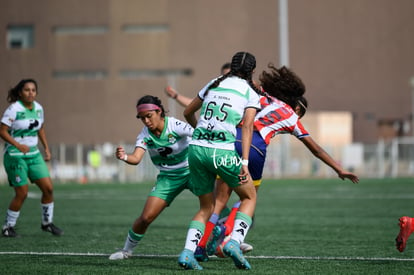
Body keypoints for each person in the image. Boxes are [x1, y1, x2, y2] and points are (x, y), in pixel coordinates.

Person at [194, 65, 360, 261]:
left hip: (231, 140)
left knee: (219, 200)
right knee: (249, 197)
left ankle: (200, 247)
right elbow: (316, 149)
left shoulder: (263, 95)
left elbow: (250, 85)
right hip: (254, 147)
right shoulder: (291, 116)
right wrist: (339, 169)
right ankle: (231, 238)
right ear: (297, 108)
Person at [177, 51, 261, 270]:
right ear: (252, 71)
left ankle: (187, 253)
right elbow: (249, 126)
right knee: (249, 196)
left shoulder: (214, 82)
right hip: (222, 152)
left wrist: (200, 132)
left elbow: (187, 112)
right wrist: (244, 162)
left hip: (196, 151)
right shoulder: (250, 91)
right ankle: (234, 242)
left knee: (206, 207)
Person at [109, 95, 196, 260]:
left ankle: (231, 239)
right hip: (168, 177)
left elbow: (199, 133)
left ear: (159, 111)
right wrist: (124, 157)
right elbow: (136, 158)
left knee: (215, 205)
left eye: (149, 116)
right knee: (146, 217)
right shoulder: (145, 135)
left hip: (192, 172)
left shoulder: (175, 125)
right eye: (142, 118)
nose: (146, 121)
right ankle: (126, 250)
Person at [0, 79, 63, 237]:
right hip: (15, 156)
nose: (30, 93)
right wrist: (17, 144)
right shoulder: (14, 109)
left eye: (33, 90)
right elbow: (2, 131)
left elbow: (40, 129)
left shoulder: (39, 108)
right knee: (22, 193)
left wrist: (46, 148)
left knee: (48, 188)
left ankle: (46, 223)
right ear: (20, 92)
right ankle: (8, 227)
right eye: (27, 90)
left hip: (34, 155)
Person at [164, 62, 231, 107]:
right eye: (224, 76)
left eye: (229, 76)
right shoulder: (214, 91)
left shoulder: (240, 91)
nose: (226, 79)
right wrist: (176, 96)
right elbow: (192, 104)